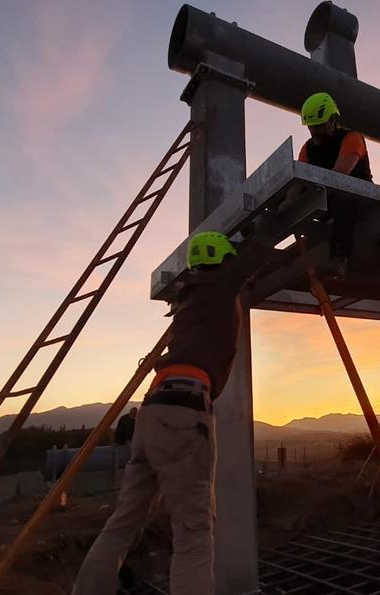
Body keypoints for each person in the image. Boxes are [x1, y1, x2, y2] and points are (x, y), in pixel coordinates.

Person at [73, 229, 274, 595]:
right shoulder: (220, 282)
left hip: (152, 413)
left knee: (123, 522)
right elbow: (260, 250)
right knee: (194, 532)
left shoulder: (191, 295)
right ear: (222, 259)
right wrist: (274, 215)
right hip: (184, 413)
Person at [297, 92, 372, 265]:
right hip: (326, 198)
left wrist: (306, 195)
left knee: (345, 198)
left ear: (332, 121)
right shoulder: (308, 148)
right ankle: (258, 228)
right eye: (310, 127)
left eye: (318, 126)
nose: (314, 131)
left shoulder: (352, 138)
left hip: (358, 199)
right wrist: (288, 200)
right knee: (285, 194)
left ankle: (339, 258)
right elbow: (300, 180)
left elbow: (339, 175)